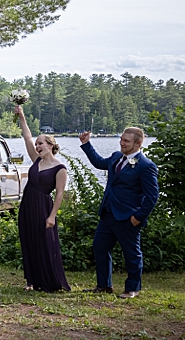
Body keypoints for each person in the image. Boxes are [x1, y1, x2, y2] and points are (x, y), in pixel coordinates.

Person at [79, 127, 159, 298]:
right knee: (99, 247)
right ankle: (104, 285)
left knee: (131, 254)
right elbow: (100, 163)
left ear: (138, 143)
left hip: (128, 217)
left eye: (126, 141)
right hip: (108, 213)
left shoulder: (146, 166)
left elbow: (152, 197)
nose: (122, 143)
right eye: (121, 139)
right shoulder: (116, 157)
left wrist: (138, 217)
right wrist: (86, 144)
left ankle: (133, 289)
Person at [16, 105, 71, 293]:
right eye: (37, 144)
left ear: (50, 145)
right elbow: (26, 137)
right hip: (27, 204)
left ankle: (47, 280)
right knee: (28, 241)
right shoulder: (36, 160)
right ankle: (31, 280)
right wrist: (22, 116)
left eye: (41, 144)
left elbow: (60, 194)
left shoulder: (60, 168)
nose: (37, 146)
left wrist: (52, 216)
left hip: (43, 207)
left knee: (44, 244)